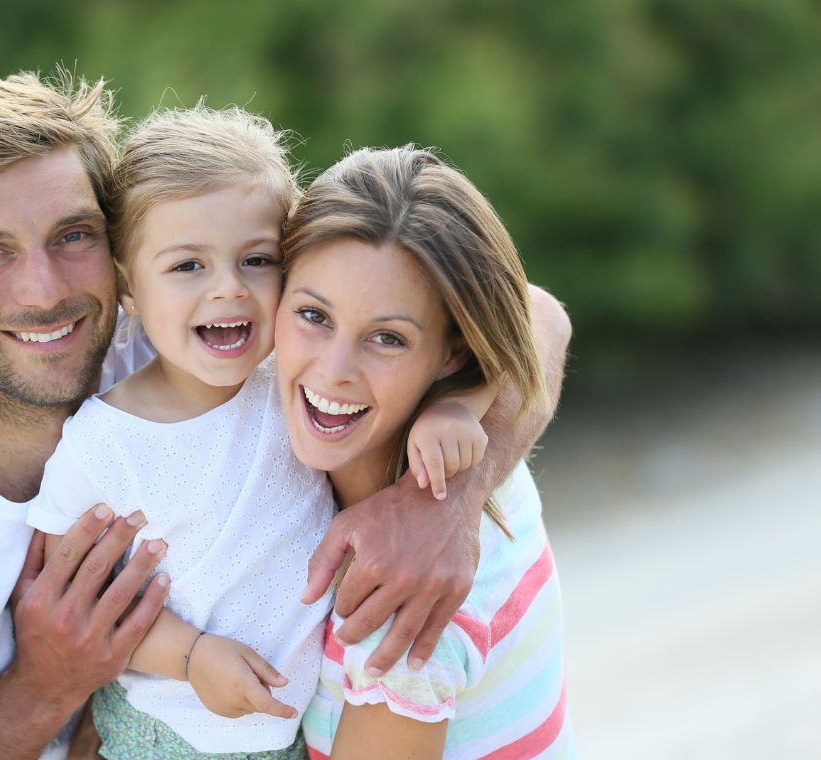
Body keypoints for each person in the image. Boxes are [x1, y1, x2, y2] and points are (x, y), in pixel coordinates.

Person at [0, 69, 570, 760]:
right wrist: (49, 680)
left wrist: (445, 502)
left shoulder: (193, 341)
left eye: (72, 236)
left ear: (117, 254)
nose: (44, 290)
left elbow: (525, 313)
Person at [26, 106, 504, 760]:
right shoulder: (102, 445)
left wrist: (460, 408)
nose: (228, 288)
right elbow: (79, 611)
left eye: (256, 260)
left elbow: (494, 344)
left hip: (283, 731)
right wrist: (190, 656)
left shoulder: (295, 379)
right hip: (172, 735)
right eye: (188, 266)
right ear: (127, 286)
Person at [275, 146, 574, 758]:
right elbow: (535, 311)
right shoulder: (475, 445)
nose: (332, 372)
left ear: (453, 354)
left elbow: (535, 313)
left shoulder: (401, 614)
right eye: (313, 315)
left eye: (387, 338)